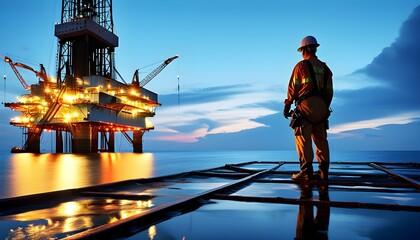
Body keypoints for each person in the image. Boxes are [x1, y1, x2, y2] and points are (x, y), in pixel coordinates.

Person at [284, 36, 333, 181]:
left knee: (302, 138)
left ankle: (306, 172)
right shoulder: (325, 68)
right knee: (321, 140)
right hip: (322, 108)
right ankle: (323, 172)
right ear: (315, 48)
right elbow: (330, 92)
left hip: (306, 106)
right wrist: (324, 109)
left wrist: (287, 106)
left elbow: (293, 88)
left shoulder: (301, 66)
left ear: (304, 49)